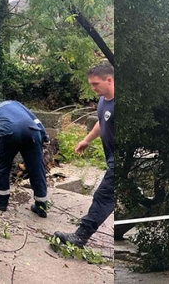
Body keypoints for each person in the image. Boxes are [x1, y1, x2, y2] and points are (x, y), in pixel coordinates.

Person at [55, 63, 114, 248]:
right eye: (91, 84)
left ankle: (81, 236)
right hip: (110, 156)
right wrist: (87, 140)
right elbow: (101, 122)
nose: (93, 88)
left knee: (102, 196)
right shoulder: (104, 100)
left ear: (109, 80)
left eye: (96, 84)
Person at [0, 99, 49, 217]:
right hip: (33, 132)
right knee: (37, 168)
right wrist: (44, 136)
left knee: (3, 167)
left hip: (9, 133)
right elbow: (34, 118)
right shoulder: (13, 103)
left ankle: (0, 201)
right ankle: (41, 206)